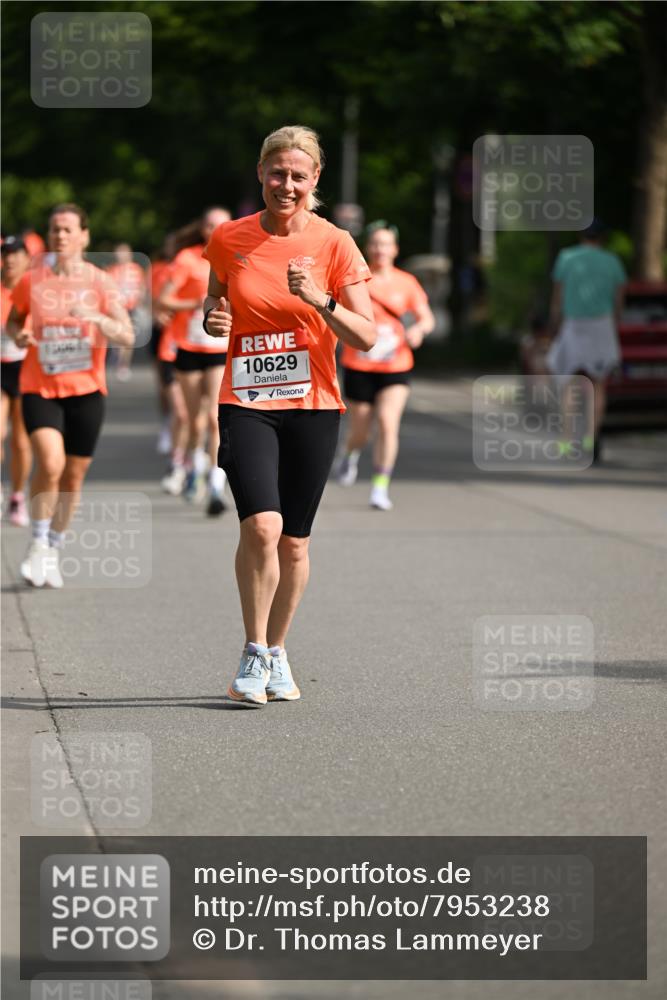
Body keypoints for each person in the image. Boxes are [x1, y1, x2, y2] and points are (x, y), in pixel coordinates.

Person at [203, 124, 375, 706]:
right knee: (262, 526)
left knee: (295, 543)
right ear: (261, 173)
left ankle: (277, 650)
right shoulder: (229, 239)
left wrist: (320, 300)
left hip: (314, 405)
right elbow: (216, 298)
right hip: (247, 401)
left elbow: (368, 337)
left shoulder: (335, 244)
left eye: (299, 176)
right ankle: (252, 651)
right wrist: (213, 319)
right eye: (277, 173)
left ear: (315, 179)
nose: (287, 184)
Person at [5, 203, 134, 588]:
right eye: (54, 229)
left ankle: (54, 548)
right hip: (40, 387)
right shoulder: (33, 280)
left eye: (67, 229)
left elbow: (126, 334)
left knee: (73, 478)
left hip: (86, 391)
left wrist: (96, 318)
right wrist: (19, 335)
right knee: (50, 461)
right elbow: (14, 319)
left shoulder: (100, 282)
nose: (60, 236)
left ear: (84, 236)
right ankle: (38, 543)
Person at [336, 221, 434, 509]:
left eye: (386, 244)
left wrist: (418, 330)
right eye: (376, 243)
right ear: (368, 248)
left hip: (396, 366)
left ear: (395, 249)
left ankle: (380, 486)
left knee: (388, 424)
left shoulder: (407, 283)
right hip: (360, 365)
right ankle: (350, 453)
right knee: (360, 431)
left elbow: (426, 317)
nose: (380, 249)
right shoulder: (355, 280)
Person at [158, 208, 231, 515]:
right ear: (202, 228)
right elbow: (163, 299)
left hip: (219, 348)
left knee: (215, 417)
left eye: (220, 224)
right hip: (188, 347)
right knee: (192, 419)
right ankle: (193, 468)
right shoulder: (188, 258)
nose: (214, 229)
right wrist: (198, 303)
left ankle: (216, 484)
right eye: (209, 224)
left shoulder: (235, 255)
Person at [547, 219, 626, 462]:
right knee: (598, 385)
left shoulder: (567, 258)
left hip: (574, 324)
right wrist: (614, 324)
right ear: (602, 238)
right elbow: (619, 299)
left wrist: (554, 324)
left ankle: (566, 440)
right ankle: (591, 438)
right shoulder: (612, 261)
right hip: (601, 325)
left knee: (567, 384)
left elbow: (558, 296)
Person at [1, 236, 32, 525]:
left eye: (15, 254)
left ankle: (17, 497)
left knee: (21, 442)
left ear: (26, 258)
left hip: (25, 369)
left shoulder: (35, 290)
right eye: (5, 254)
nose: (9, 259)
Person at [107, 242, 147, 381]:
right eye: (118, 253)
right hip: (117, 308)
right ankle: (117, 356)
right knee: (117, 335)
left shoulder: (136, 269)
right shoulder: (112, 270)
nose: (120, 256)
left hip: (131, 307)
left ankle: (124, 365)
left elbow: (142, 286)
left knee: (129, 336)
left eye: (123, 253)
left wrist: (140, 300)